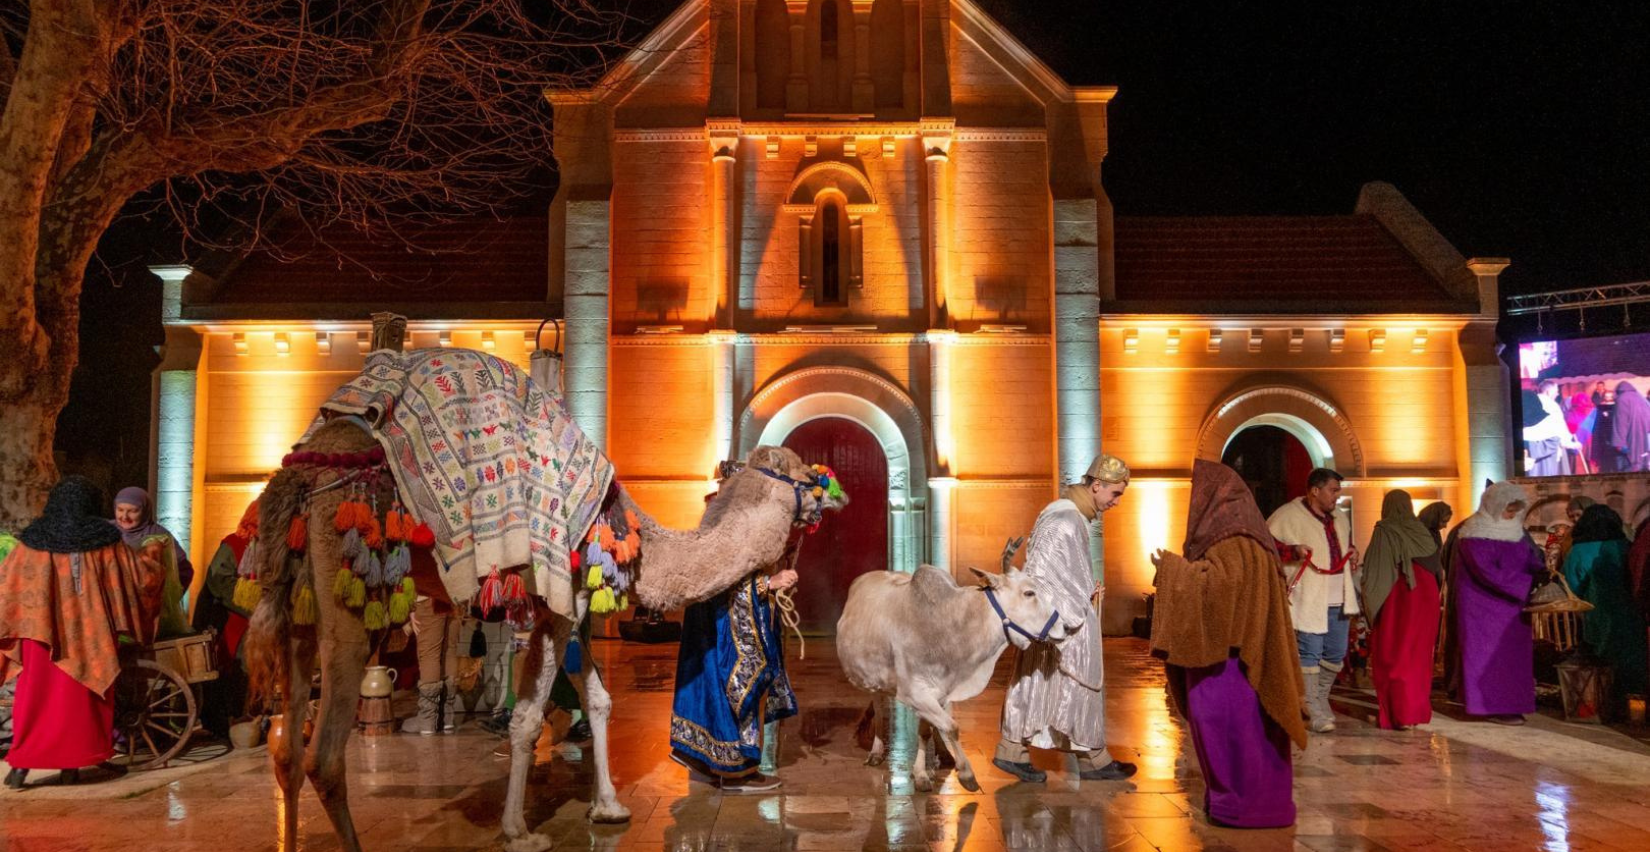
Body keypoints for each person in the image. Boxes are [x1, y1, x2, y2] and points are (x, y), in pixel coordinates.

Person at [1149, 460, 1305, 829]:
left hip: (1230, 665)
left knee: (1232, 734)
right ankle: (1237, 803)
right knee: (1237, 734)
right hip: (1233, 659)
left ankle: (1244, 807)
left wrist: (1169, 568)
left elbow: (1220, 588)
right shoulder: (1244, 536)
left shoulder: (1235, 540)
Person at [0, 477, 165, 788]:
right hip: (92, 637)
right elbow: (140, 576)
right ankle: (74, 764)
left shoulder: (32, 541)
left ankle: (23, 767)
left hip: (41, 637)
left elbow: (7, 586)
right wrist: (153, 554)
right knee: (83, 701)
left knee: (36, 699)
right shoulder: (104, 539)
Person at [994, 453, 1136, 783]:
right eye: (1115, 494)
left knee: (1041, 682)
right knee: (1069, 679)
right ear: (1097, 485)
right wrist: (1079, 597)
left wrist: (1083, 587)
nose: (1116, 502)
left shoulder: (1068, 514)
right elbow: (1043, 572)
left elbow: (1061, 568)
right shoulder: (1067, 519)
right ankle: (1090, 758)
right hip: (1060, 621)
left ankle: (1019, 750)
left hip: (1055, 615)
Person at [668, 515, 799, 792]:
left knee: (713, 684)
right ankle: (736, 771)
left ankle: (711, 760)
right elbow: (727, 583)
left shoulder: (720, 520)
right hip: (722, 629)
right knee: (740, 682)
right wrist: (767, 584)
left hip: (712, 628)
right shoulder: (727, 524)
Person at [1267, 468, 1358, 734]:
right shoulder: (1287, 516)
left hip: (1338, 597)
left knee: (1335, 653)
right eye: (1333, 490)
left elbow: (1345, 545)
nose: (1337, 496)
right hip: (1308, 598)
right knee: (1309, 653)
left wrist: (1351, 552)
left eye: (1338, 490)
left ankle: (1319, 699)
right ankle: (1312, 710)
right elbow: (1265, 547)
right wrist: (1292, 550)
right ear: (1315, 491)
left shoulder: (1340, 518)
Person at [1451, 481, 1543, 725]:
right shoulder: (1474, 532)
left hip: (1513, 611)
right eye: (1507, 509)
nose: (1511, 515)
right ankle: (1489, 706)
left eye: (1515, 510)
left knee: (1513, 661)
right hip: (1484, 611)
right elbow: (1486, 571)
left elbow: (1527, 558)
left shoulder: (1515, 532)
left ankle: (1511, 705)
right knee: (1487, 658)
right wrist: (1524, 583)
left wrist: (1540, 571)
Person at [1361, 491, 1442, 730]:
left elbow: (1376, 574)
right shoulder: (1422, 532)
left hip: (1399, 597)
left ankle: (1399, 714)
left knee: (1393, 654)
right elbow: (1437, 568)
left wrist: (1370, 609)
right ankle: (1414, 712)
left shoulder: (1384, 530)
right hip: (1426, 598)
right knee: (1418, 656)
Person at [1564, 505, 1648, 705]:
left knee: (1601, 656)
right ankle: (1634, 701)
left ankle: (1602, 701)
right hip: (1631, 611)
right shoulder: (1625, 545)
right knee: (1632, 656)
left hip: (1596, 611)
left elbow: (1572, 587)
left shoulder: (1578, 551)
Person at [189, 498, 261, 735]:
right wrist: (252, 602)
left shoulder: (271, 547)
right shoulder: (234, 545)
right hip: (230, 620)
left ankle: (249, 715)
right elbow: (219, 580)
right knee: (233, 668)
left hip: (256, 622)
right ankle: (226, 720)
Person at [112, 487, 192, 638]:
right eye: (120, 509)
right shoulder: (106, 532)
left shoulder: (159, 536)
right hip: (115, 614)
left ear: (145, 510)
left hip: (149, 616)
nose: (124, 516)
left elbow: (184, 570)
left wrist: (165, 600)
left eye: (133, 511)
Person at [1523, 380, 1581, 476]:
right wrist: (1572, 444)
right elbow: (1560, 434)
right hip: (1545, 452)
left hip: (1527, 449)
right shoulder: (1553, 406)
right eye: (1556, 391)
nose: (1558, 394)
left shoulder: (1531, 400)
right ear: (1548, 392)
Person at [1608, 381, 1650, 473]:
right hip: (1644, 443)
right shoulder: (1641, 398)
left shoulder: (1622, 400)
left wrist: (1619, 443)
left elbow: (1620, 423)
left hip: (1629, 445)